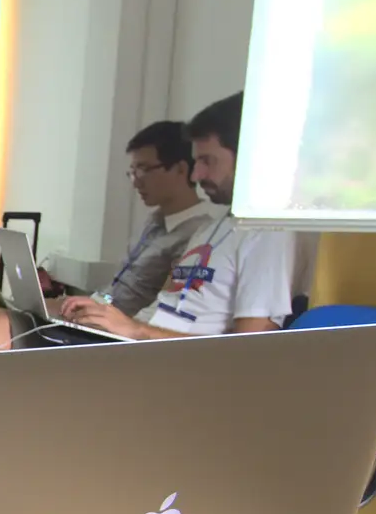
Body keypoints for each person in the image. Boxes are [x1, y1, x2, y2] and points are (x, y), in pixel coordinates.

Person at [0, 120, 215, 349]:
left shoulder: (198, 235)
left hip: (115, 330)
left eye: (144, 169)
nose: (136, 180)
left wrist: (104, 315)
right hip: (96, 312)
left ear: (181, 170)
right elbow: (120, 287)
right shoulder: (154, 222)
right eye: (133, 171)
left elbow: (161, 310)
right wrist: (82, 303)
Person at [65, 92, 295, 339]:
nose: (196, 176)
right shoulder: (208, 230)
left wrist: (136, 330)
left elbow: (249, 349)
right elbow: (163, 303)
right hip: (131, 343)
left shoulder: (267, 234)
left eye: (208, 161)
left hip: (162, 360)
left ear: (248, 157)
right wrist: (101, 312)